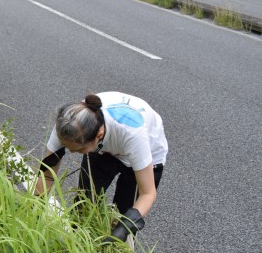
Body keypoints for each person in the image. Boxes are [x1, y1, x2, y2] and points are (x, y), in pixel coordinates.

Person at [35, 92, 168, 242]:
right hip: (103, 148)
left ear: (99, 135)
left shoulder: (132, 134)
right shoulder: (69, 122)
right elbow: (46, 174)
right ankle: (74, 249)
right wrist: (36, 210)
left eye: (78, 150)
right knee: (85, 203)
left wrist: (123, 228)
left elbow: (148, 194)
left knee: (123, 215)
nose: (72, 153)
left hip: (146, 152)